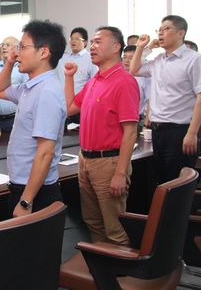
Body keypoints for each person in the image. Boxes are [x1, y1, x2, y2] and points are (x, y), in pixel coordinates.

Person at [64, 26, 139, 245]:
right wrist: (69, 78)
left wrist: (120, 173)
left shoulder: (124, 81)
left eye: (98, 42)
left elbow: (130, 131)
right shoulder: (96, 79)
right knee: (92, 222)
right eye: (92, 42)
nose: (92, 47)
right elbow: (70, 108)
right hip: (86, 160)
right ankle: (101, 264)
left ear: (116, 47)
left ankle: (120, 266)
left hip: (109, 163)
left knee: (114, 227)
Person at [0, 20, 67, 216]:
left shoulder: (47, 92)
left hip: (36, 193)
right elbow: (0, 90)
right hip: (24, 186)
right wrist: (9, 62)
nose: (17, 53)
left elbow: (45, 152)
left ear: (43, 52)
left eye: (23, 47)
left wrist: (26, 201)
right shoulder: (30, 87)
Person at [130, 15, 201, 184]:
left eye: (166, 29)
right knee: (161, 180)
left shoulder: (195, 59)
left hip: (180, 131)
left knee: (177, 182)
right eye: (159, 30)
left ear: (181, 33)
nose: (160, 33)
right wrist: (143, 47)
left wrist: (192, 133)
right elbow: (134, 70)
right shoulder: (159, 60)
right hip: (157, 129)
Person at [57, 27, 97, 124]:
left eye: (77, 39)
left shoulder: (90, 59)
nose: (73, 41)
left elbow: (94, 84)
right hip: (60, 103)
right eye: (71, 39)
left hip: (79, 106)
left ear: (85, 42)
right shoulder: (62, 57)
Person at [122, 45, 151, 130]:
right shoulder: (118, 74)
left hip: (137, 119)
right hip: (120, 118)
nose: (126, 61)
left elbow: (150, 100)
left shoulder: (144, 76)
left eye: (131, 58)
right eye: (125, 57)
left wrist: (146, 124)